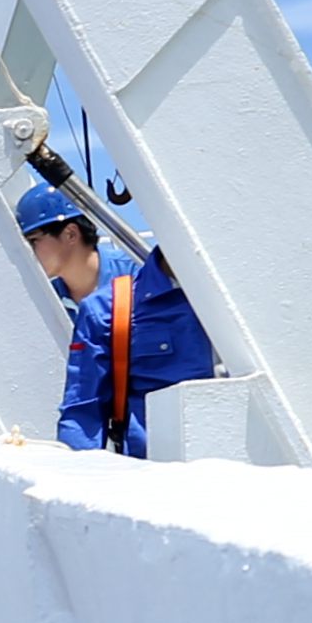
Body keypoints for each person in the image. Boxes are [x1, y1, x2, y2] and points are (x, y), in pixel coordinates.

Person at [16, 184, 214, 457]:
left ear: (70, 234)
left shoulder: (132, 291)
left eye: (32, 240)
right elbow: (84, 408)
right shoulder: (102, 308)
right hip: (152, 474)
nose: (28, 252)